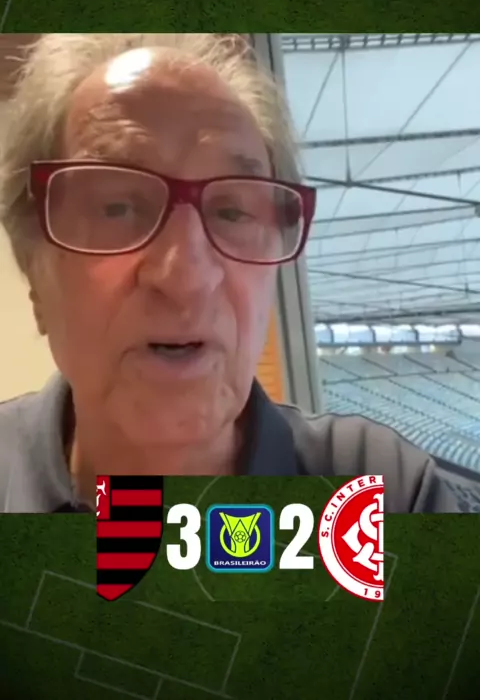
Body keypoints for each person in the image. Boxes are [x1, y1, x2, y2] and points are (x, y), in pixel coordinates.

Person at [0, 33, 460, 513]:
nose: (187, 278)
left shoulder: (382, 492)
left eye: (233, 212)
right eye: (118, 207)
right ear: (34, 269)